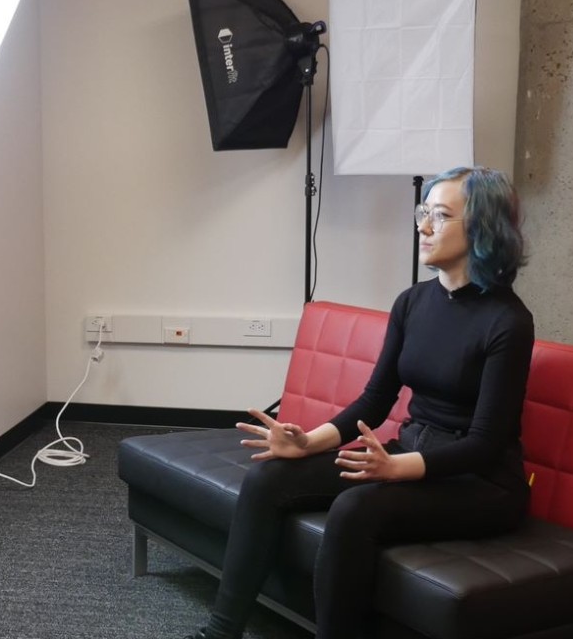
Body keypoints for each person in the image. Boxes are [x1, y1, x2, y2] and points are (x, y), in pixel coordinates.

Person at [185, 166, 534, 639]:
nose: (423, 227)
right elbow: (375, 399)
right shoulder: (412, 303)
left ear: (482, 228)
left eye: (440, 215)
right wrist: (307, 442)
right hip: (408, 457)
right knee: (269, 476)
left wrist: (396, 468)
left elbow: (486, 444)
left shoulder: (508, 322)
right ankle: (220, 633)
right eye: (423, 212)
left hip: (481, 483)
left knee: (354, 509)